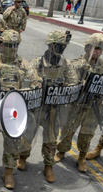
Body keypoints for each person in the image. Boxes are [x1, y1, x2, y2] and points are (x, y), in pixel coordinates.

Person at [0, 30, 41, 188]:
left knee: (13, 144)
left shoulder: (25, 66)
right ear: (1, 45)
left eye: (15, 45)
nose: (12, 48)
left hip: (13, 113)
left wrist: (18, 95)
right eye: (8, 45)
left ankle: (8, 172)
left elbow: (37, 86)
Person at [55, 33, 103, 172]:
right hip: (76, 105)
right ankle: (61, 151)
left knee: (87, 134)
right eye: (94, 48)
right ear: (87, 47)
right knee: (68, 130)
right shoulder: (77, 63)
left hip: (93, 107)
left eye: (100, 49)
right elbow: (68, 81)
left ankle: (82, 157)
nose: (97, 51)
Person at [30, 30, 77, 179]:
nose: (61, 48)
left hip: (54, 109)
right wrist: (37, 85)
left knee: (51, 140)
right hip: (37, 107)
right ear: (51, 44)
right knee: (28, 134)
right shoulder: (37, 62)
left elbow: (73, 82)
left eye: (63, 46)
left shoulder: (65, 64)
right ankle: (23, 157)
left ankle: (48, 166)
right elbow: (28, 80)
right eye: (58, 45)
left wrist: (63, 87)